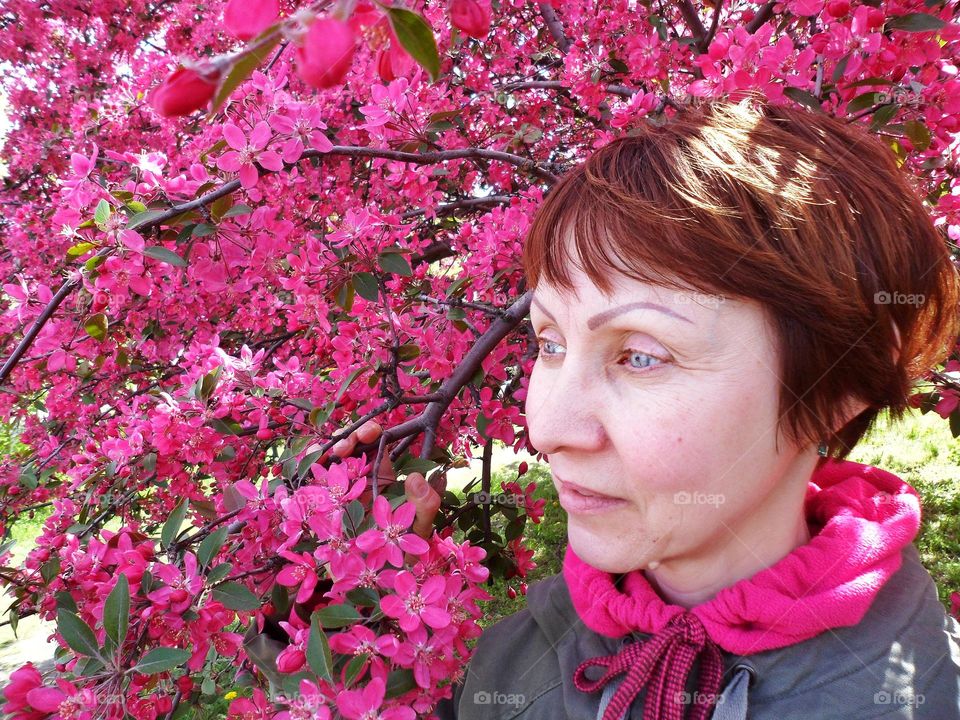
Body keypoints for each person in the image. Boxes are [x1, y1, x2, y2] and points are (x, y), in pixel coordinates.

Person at [336, 97, 960, 719]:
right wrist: (338, 592)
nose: (548, 428)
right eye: (549, 343)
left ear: (834, 387)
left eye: (639, 356)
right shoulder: (516, 661)